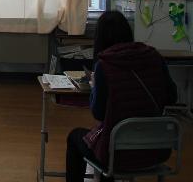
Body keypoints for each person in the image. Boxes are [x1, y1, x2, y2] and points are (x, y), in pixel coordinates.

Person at [65, 11, 177, 182]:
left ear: (100, 38)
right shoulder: (155, 57)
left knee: (77, 138)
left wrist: (95, 87)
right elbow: (172, 97)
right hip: (157, 150)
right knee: (109, 141)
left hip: (117, 154)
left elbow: (98, 113)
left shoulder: (104, 66)